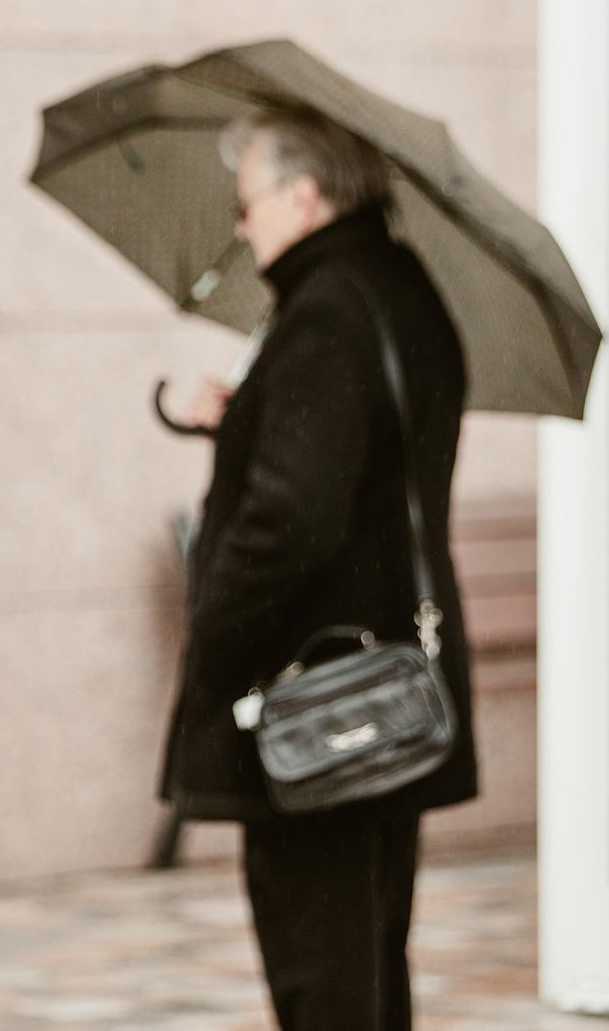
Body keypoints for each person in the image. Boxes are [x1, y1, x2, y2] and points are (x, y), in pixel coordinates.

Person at [161, 110, 479, 1031]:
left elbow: (292, 517)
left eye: (248, 202)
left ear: (304, 197)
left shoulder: (326, 313)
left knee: (324, 977)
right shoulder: (399, 289)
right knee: (370, 959)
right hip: (386, 687)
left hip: (317, 703)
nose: (240, 224)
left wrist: (213, 635)